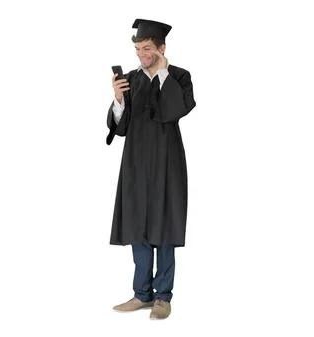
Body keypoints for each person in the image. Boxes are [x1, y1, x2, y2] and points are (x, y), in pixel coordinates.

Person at [106, 18, 196, 320]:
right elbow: (121, 127)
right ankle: (141, 294)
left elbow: (176, 111)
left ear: (161, 49)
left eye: (146, 48)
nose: (140, 54)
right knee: (138, 228)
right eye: (137, 48)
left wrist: (162, 74)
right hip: (135, 164)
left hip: (167, 164)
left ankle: (163, 298)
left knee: (165, 228)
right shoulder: (131, 79)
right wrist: (118, 99)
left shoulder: (180, 77)